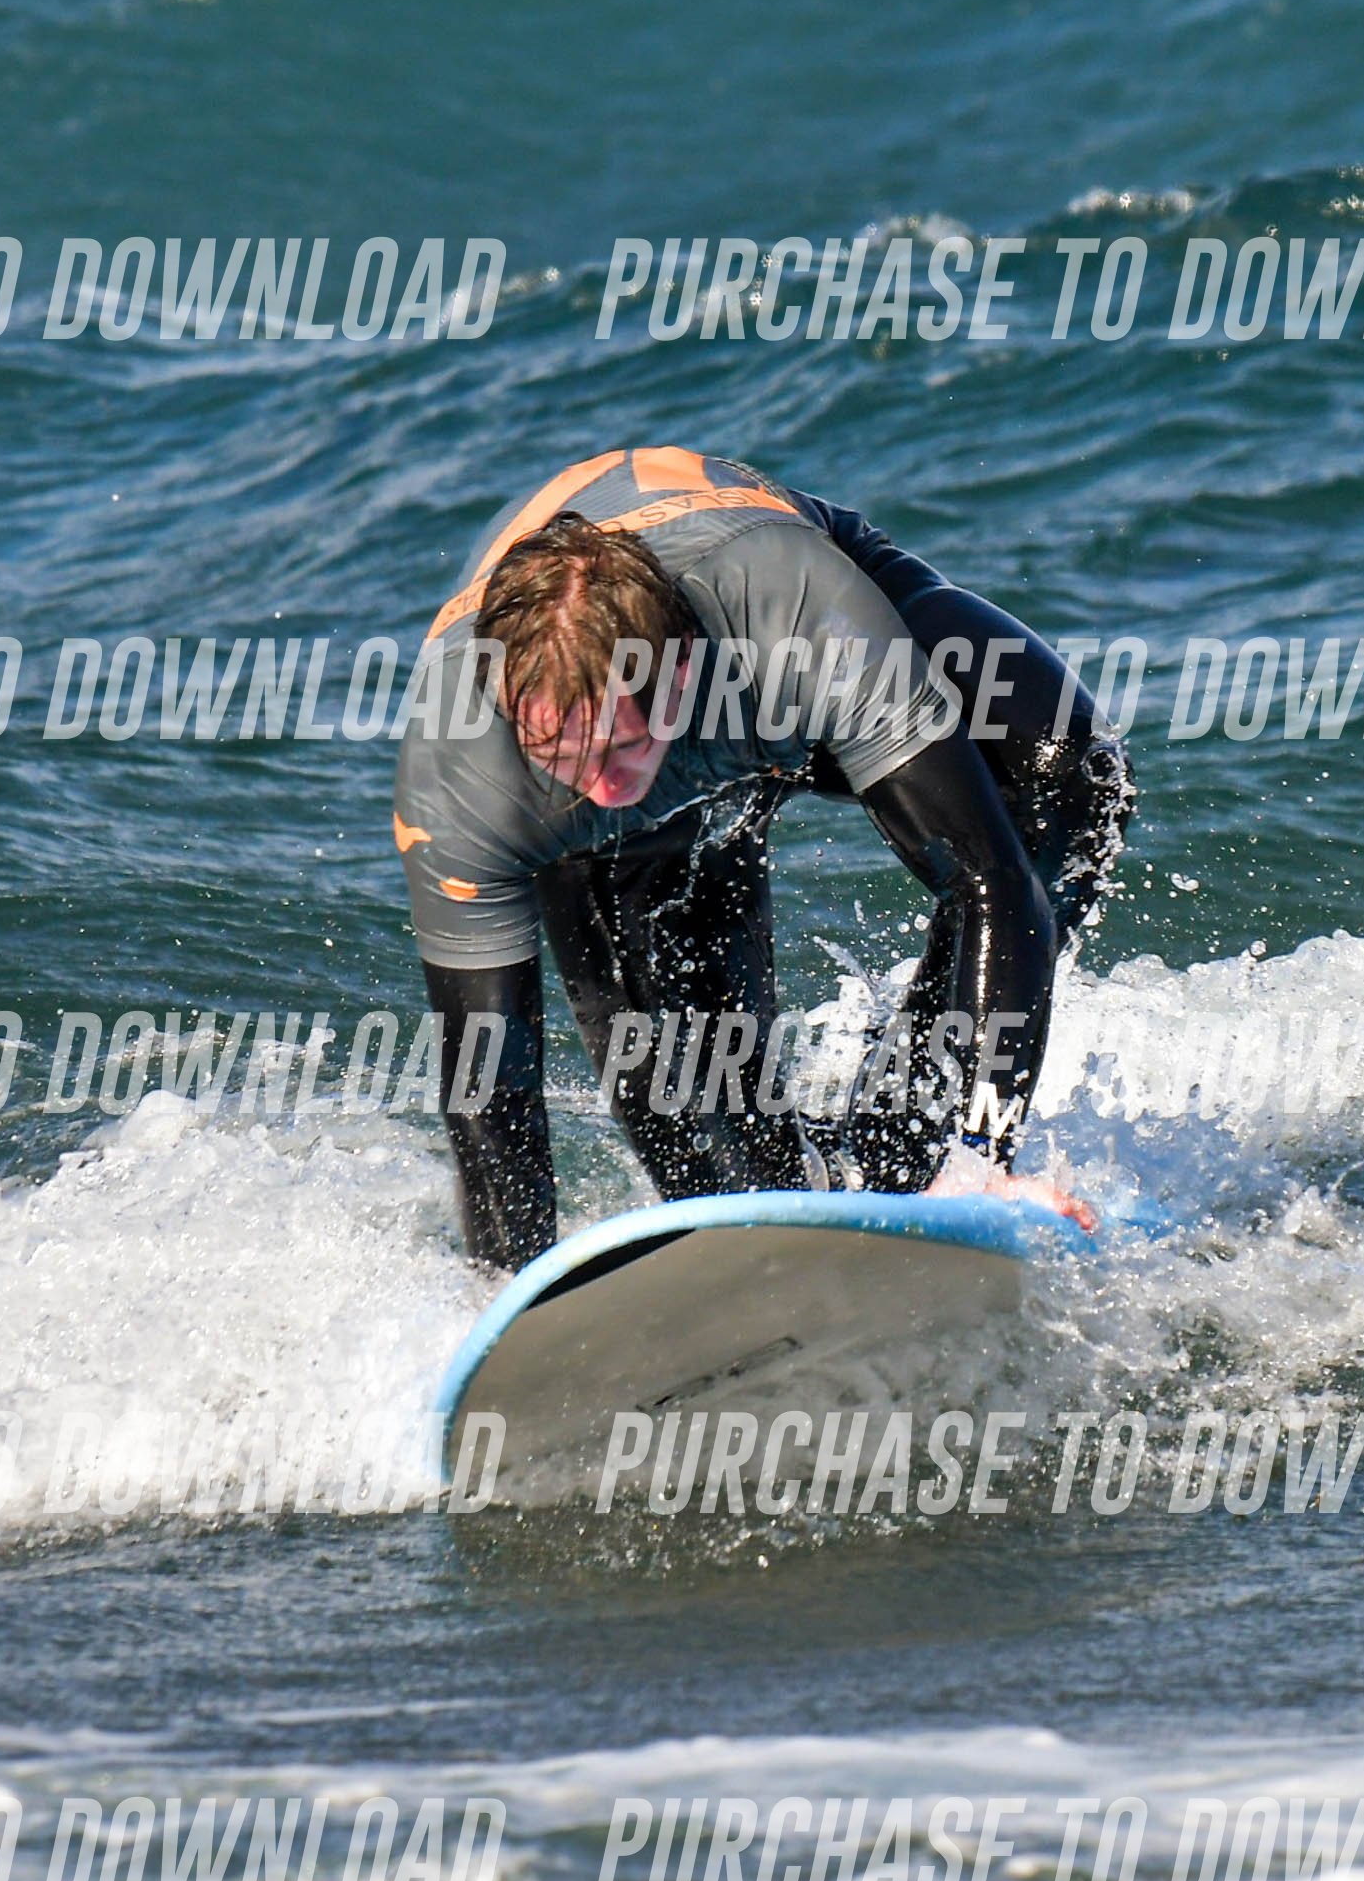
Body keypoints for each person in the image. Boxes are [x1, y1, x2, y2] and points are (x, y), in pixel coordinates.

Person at [394, 447, 1131, 1271]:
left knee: (1066, 783)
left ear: (681, 673)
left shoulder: (794, 616)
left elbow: (990, 879)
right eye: (561, 757)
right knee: (734, 1180)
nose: (601, 790)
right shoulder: (464, 774)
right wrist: (505, 1300)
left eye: (621, 749)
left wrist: (982, 1159)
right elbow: (492, 1090)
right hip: (648, 737)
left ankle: (920, 1145)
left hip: (781, 623)